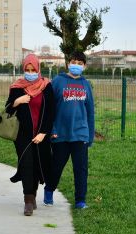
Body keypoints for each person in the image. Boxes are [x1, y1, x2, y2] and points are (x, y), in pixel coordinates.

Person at [43, 51, 95, 209]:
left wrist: (90, 135)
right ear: (68, 63)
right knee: (56, 166)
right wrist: (51, 129)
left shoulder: (86, 84)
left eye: (80, 63)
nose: (76, 65)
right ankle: (49, 190)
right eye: (74, 62)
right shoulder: (58, 81)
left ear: (84, 66)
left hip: (80, 134)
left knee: (81, 169)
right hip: (60, 133)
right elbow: (48, 109)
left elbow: (90, 111)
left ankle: (80, 200)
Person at [5, 54, 55, 216]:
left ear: (38, 69)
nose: (30, 72)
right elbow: (8, 109)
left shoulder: (46, 86)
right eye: (27, 69)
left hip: (41, 136)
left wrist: (43, 133)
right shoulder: (17, 87)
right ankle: (28, 200)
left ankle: (33, 194)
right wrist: (17, 102)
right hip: (22, 135)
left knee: (37, 166)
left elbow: (51, 112)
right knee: (26, 164)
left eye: (33, 69)